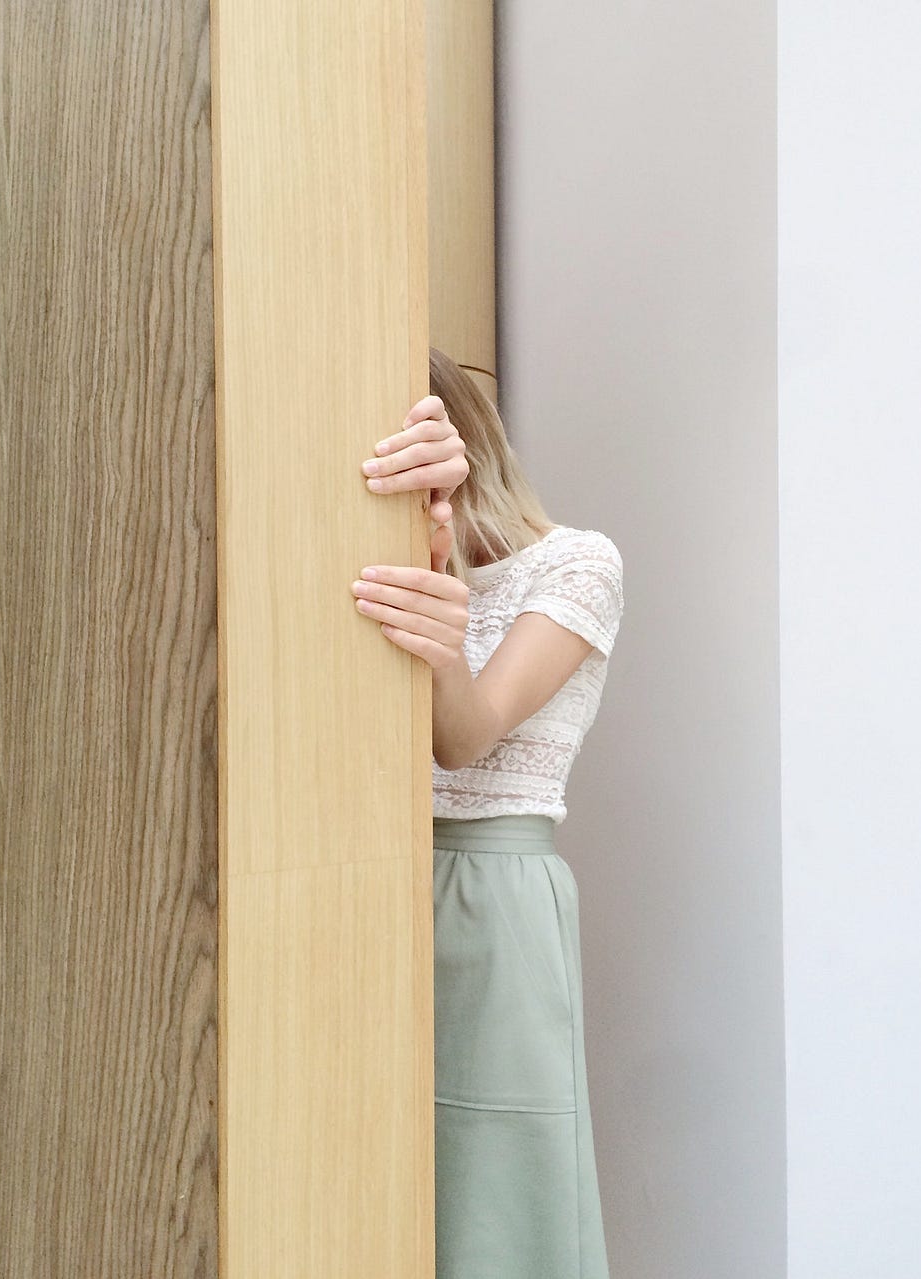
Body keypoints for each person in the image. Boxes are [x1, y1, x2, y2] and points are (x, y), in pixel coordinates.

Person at [352, 348, 623, 1278]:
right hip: (370, 877)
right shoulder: (381, 564)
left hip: (492, 889)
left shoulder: (580, 564)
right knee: (378, 1173)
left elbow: (462, 739)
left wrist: (437, 602)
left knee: (499, 1179)